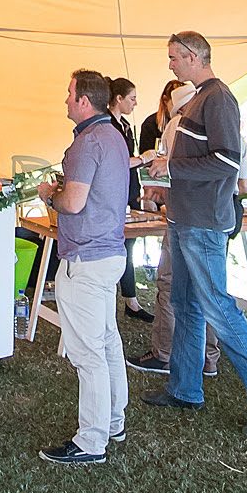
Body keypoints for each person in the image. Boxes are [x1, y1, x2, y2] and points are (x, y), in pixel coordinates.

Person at [143, 31, 247, 436]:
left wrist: (171, 169)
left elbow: (227, 162)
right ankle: (186, 388)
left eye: (174, 57)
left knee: (219, 310)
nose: (170, 64)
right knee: (187, 305)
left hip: (205, 222)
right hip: (185, 217)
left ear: (194, 56)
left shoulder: (219, 99)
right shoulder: (198, 98)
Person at [37, 68, 133, 466]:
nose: (65, 100)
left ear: (83, 101)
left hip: (86, 258)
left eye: (69, 93)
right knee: (108, 341)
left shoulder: (87, 143)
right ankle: (113, 420)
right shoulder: (114, 136)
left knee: (87, 353)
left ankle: (92, 440)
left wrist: (50, 193)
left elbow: (73, 203)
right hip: (110, 253)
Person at [132, 75, 215, 381]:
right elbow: (241, 181)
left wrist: (154, 194)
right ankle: (208, 357)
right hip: (214, 216)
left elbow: (160, 178)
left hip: (183, 215)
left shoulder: (175, 127)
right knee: (206, 289)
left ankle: (164, 353)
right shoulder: (222, 127)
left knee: (170, 285)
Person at [107, 77, 151, 322]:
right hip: (117, 189)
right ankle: (126, 298)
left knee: (129, 244)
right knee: (120, 244)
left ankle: (130, 299)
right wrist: (144, 158)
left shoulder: (124, 125)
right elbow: (118, 162)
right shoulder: (108, 127)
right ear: (119, 99)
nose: (135, 103)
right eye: (132, 99)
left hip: (130, 187)